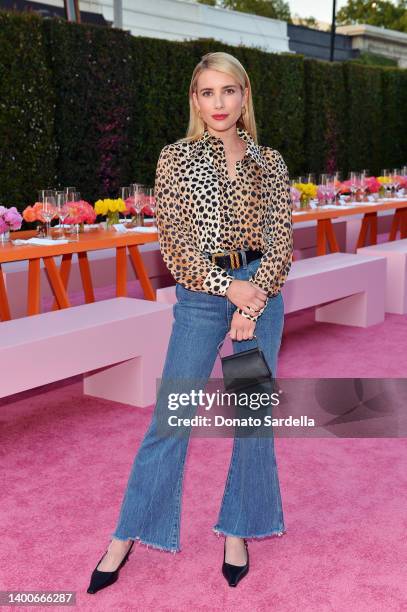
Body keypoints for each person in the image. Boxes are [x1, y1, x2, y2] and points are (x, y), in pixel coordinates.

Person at [87, 50, 293, 594]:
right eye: (208, 92)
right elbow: (175, 247)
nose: (219, 102)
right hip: (203, 295)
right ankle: (126, 534)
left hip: (262, 297)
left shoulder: (269, 162)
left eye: (229, 90)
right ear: (195, 101)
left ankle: (238, 529)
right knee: (172, 417)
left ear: (244, 95)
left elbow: (281, 242)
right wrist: (230, 288)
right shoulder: (175, 158)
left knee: (251, 420)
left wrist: (253, 301)